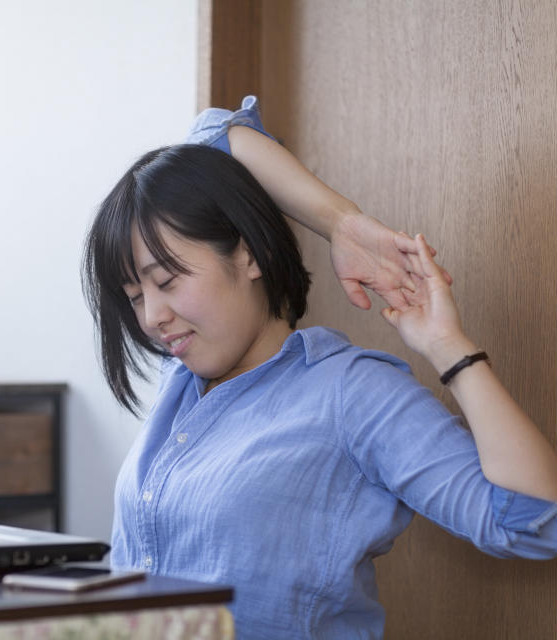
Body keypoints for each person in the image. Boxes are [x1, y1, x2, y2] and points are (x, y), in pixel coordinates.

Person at [81, 97, 557, 639]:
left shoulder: (351, 393)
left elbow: (532, 519)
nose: (152, 316)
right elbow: (211, 141)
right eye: (134, 295)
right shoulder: (182, 386)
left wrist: (446, 345)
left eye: (166, 282)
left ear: (247, 255)